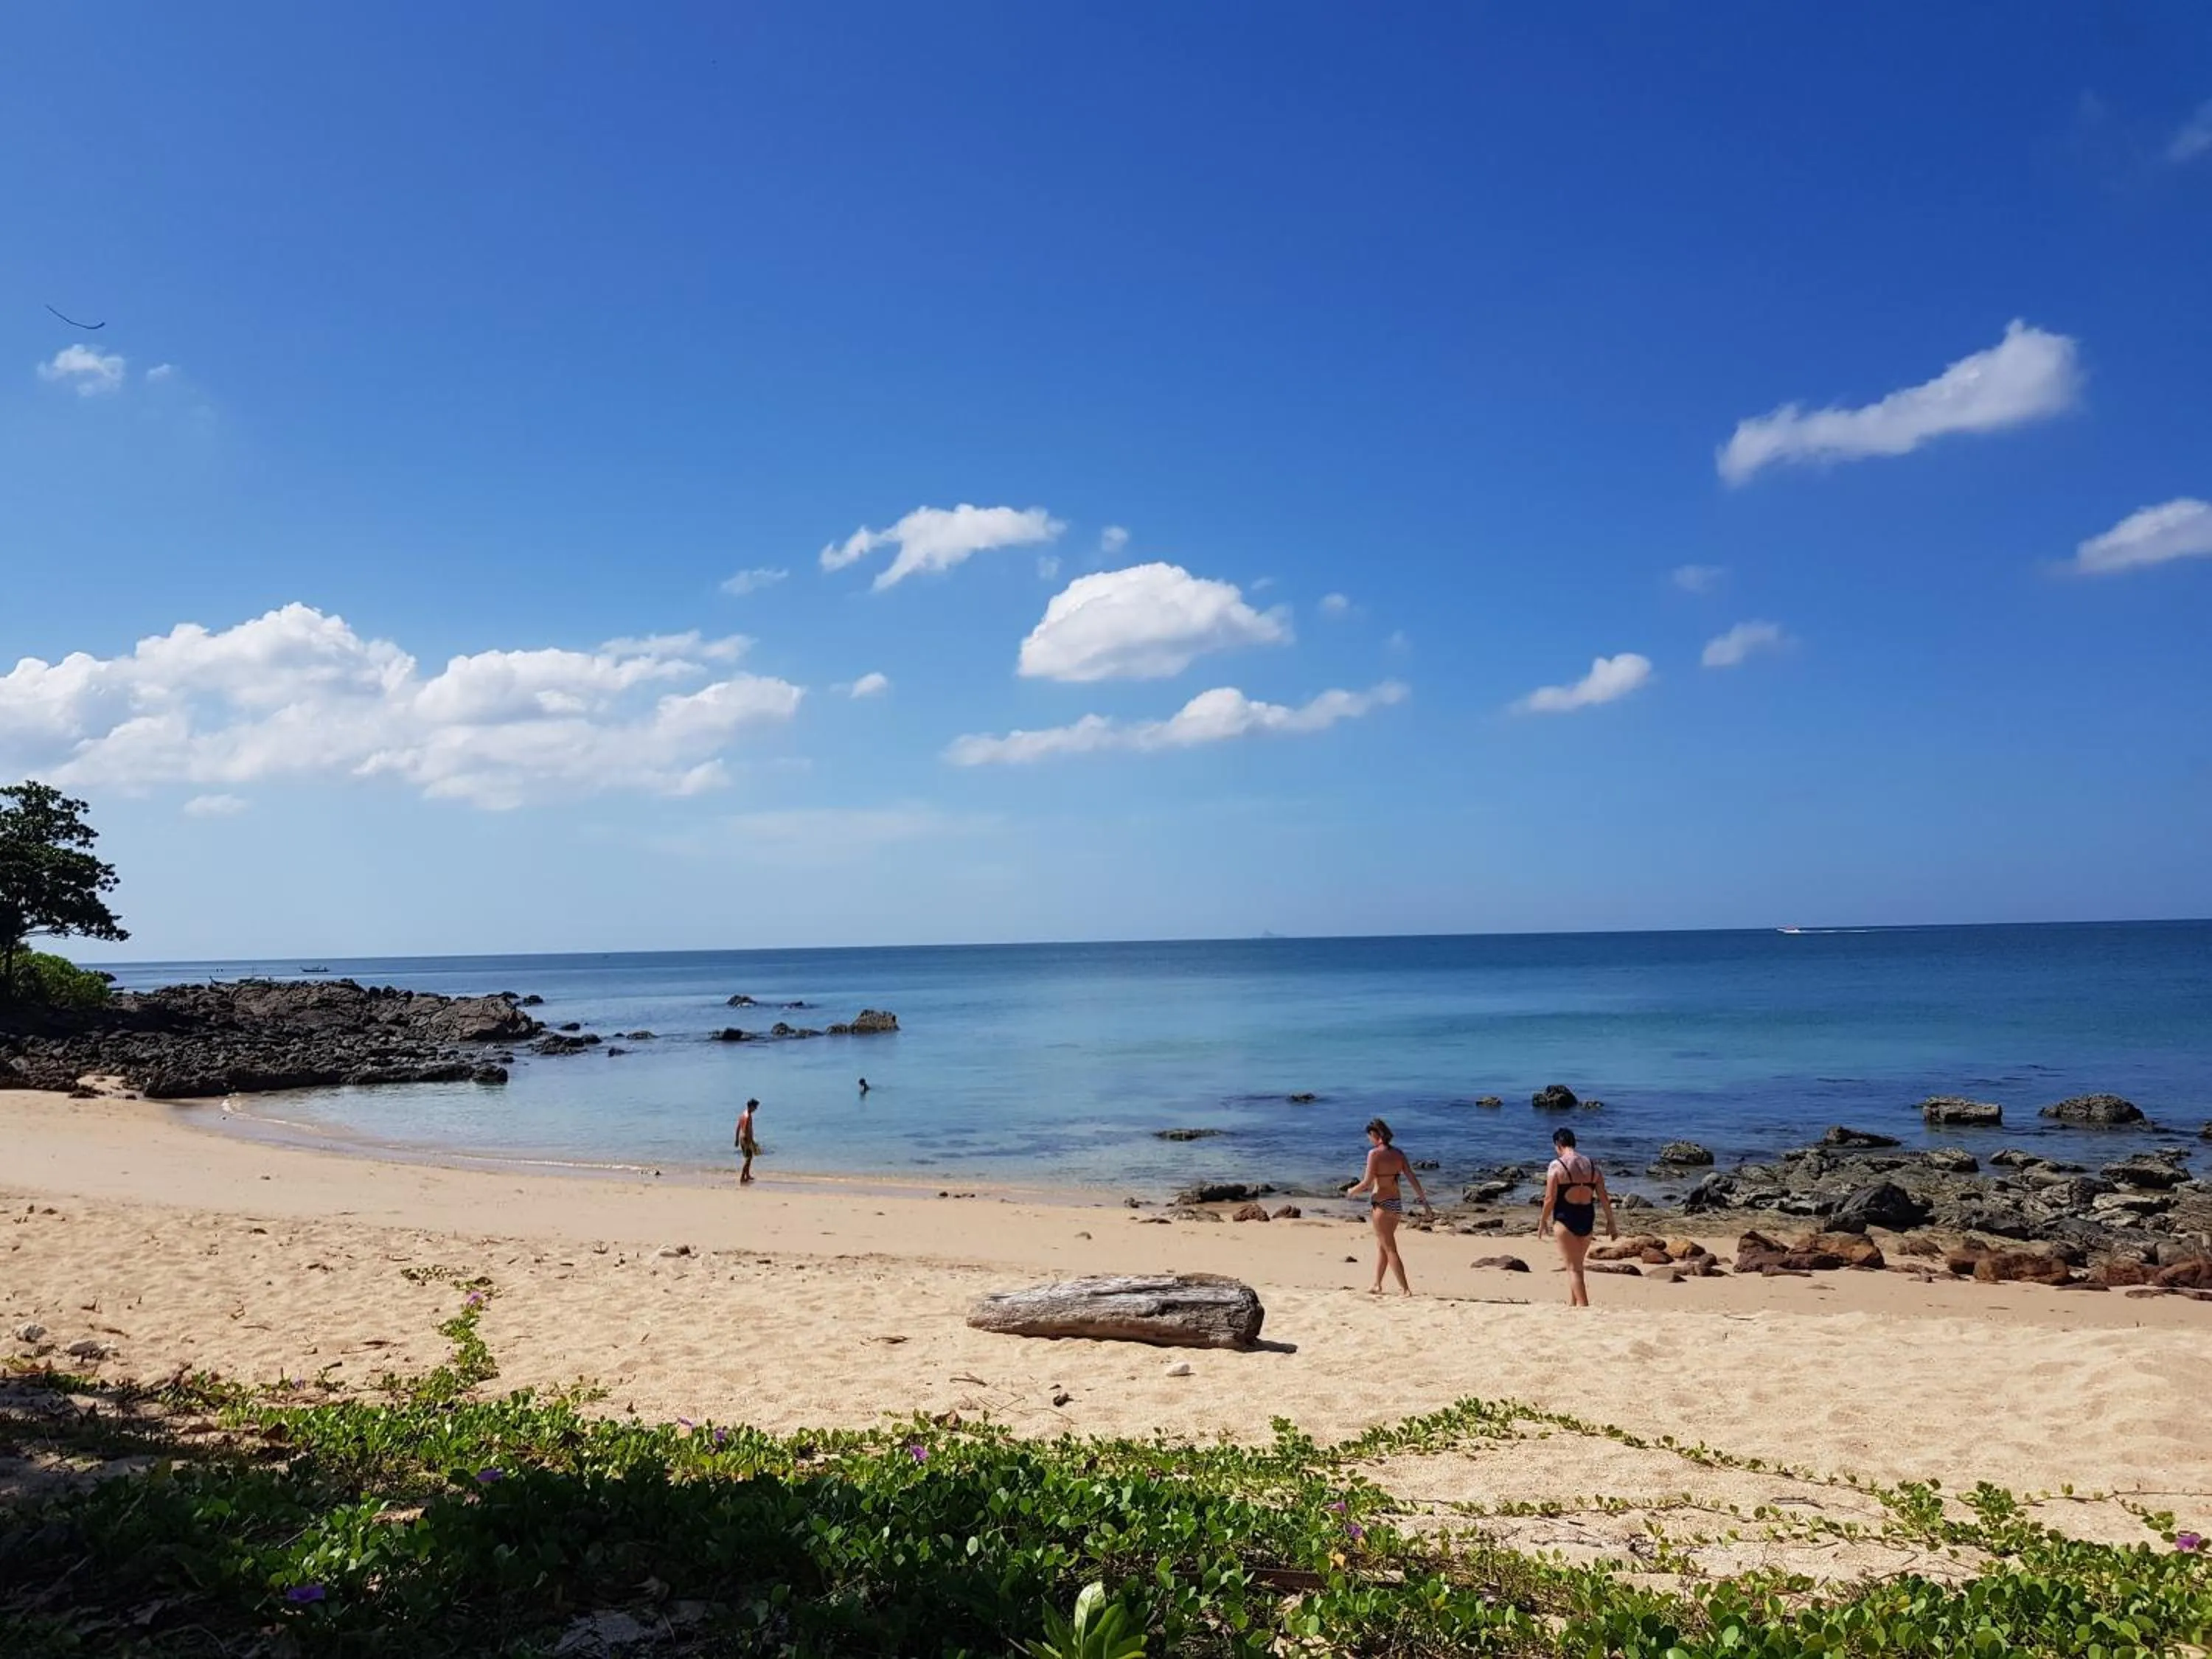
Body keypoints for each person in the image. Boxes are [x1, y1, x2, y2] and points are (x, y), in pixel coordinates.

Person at [1346, 1116, 1430, 1295]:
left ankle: (1405, 1288)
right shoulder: (1398, 1154)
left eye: (1369, 1135)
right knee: (1383, 1246)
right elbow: (1412, 1178)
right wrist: (1424, 1202)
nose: (1369, 1139)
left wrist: (1352, 1190)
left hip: (1381, 1205)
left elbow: (1367, 1182)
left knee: (1390, 1248)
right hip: (1396, 1204)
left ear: (1374, 1134)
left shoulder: (1374, 1154)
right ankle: (1377, 1284)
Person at [1537, 1126, 1617, 1306]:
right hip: (1587, 1216)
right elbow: (1604, 1196)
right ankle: (1572, 1305)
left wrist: (1543, 1221)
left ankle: (1583, 1307)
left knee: (1573, 1269)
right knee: (1577, 1266)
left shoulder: (1557, 1165)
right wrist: (1611, 1222)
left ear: (1558, 1145)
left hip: (1566, 1218)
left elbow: (1550, 1198)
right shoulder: (1591, 1164)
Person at [734, 1098, 760, 1184]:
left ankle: (748, 1175)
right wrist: (751, 1142)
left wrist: (737, 1139)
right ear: (751, 1106)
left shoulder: (743, 1114)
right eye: (755, 1107)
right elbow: (746, 1129)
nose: (756, 1109)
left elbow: (738, 1127)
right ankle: (742, 1177)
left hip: (742, 1138)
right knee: (748, 1158)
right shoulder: (748, 1116)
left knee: (749, 1157)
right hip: (746, 1139)